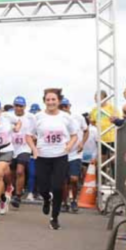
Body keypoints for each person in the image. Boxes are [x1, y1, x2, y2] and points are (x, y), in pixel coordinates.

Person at [28, 89, 78, 230]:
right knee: (43, 187)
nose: (50, 102)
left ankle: (54, 218)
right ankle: (46, 198)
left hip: (60, 156)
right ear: (44, 101)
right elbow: (28, 135)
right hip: (42, 156)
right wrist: (34, 149)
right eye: (48, 99)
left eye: (53, 99)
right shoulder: (37, 117)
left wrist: (68, 146)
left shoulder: (66, 117)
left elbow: (74, 135)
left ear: (59, 101)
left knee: (57, 187)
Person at [60, 98, 88, 213]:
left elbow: (86, 131)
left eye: (66, 106)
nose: (64, 109)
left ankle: (74, 200)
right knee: (64, 181)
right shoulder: (56, 120)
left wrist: (82, 143)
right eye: (62, 107)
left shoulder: (78, 118)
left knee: (74, 179)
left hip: (75, 153)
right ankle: (64, 202)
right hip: (61, 153)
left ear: (69, 106)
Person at [9, 96, 36, 209]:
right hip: (10, 147)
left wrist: (33, 142)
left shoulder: (31, 117)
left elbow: (36, 132)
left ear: (25, 106)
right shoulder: (8, 116)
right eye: (16, 105)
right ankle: (13, 189)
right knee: (11, 173)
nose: (18, 108)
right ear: (13, 106)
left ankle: (18, 196)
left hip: (24, 147)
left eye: (21, 106)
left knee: (20, 171)